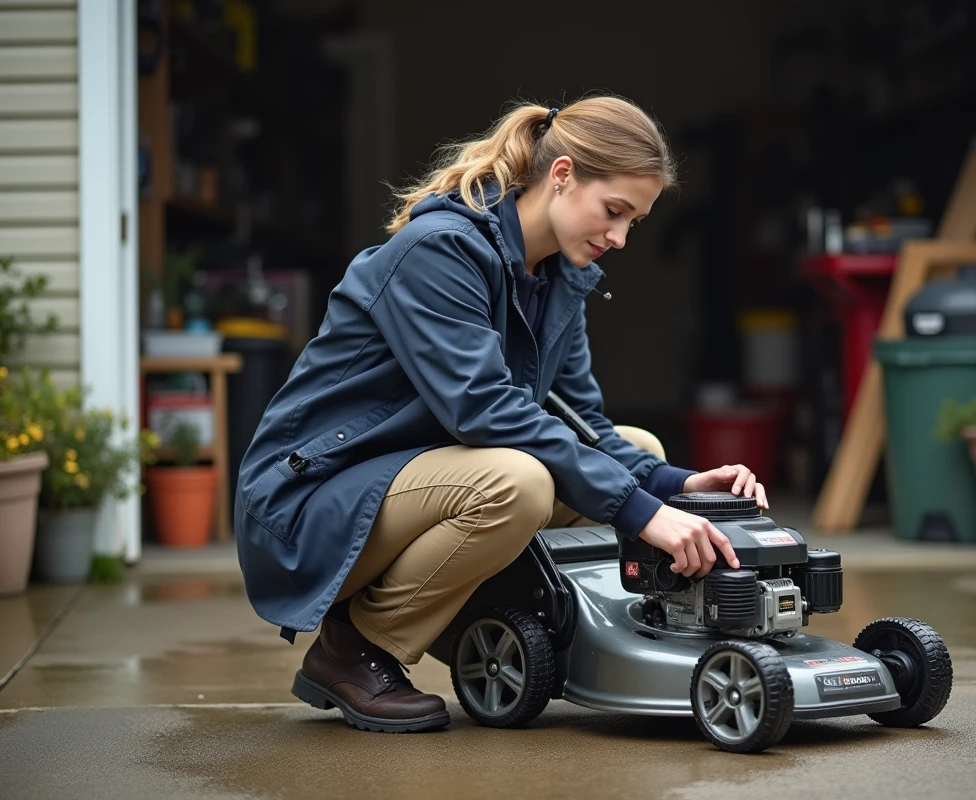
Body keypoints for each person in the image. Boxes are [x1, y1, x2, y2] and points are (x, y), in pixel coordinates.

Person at [233, 94, 769, 734]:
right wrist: (639, 512)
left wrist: (676, 486)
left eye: (635, 222)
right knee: (518, 482)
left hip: (413, 481)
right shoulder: (439, 251)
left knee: (638, 446)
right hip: (312, 498)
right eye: (614, 212)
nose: (620, 238)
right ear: (563, 175)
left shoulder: (562, 278)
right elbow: (484, 410)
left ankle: (515, 612)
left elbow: (585, 427)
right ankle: (354, 650)